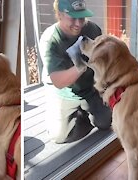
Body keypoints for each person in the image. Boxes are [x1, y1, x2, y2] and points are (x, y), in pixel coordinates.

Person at [39, 0, 112, 143]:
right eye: (72, 17)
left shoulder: (93, 29)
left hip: (89, 89)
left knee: (106, 121)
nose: (78, 23)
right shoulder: (50, 40)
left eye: (82, 17)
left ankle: (83, 114)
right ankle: (77, 116)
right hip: (63, 93)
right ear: (59, 15)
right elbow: (58, 82)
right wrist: (81, 62)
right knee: (58, 136)